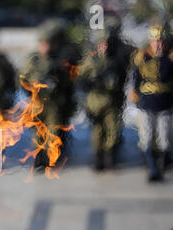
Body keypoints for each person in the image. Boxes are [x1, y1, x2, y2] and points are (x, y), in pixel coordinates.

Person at [22, 19, 79, 169]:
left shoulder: (59, 59)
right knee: (38, 134)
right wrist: (32, 86)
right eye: (42, 43)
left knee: (53, 132)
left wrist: (57, 76)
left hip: (54, 104)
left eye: (47, 43)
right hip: (38, 103)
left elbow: (69, 81)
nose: (44, 47)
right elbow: (23, 79)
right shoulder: (33, 59)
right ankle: (40, 160)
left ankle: (50, 159)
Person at [78, 26, 132, 171]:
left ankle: (109, 159)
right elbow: (81, 80)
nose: (105, 46)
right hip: (95, 101)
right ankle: (98, 158)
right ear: (97, 44)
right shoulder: (91, 60)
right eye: (102, 43)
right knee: (97, 132)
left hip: (112, 101)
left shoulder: (115, 59)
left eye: (107, 43)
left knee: (112, 131)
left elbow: (123, 77)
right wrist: (93, 82)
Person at [131, 23, 173, 182]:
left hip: (165, 105)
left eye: (161, 40)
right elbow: (136, 80)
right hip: (147, 104)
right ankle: (151, 169)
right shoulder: (142, 58)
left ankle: (161, 167)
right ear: (150, 41)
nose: (158, 44)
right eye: (155, 40)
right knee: (146, 139)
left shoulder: (170, 58)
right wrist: (135, 96)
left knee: (164, 139)